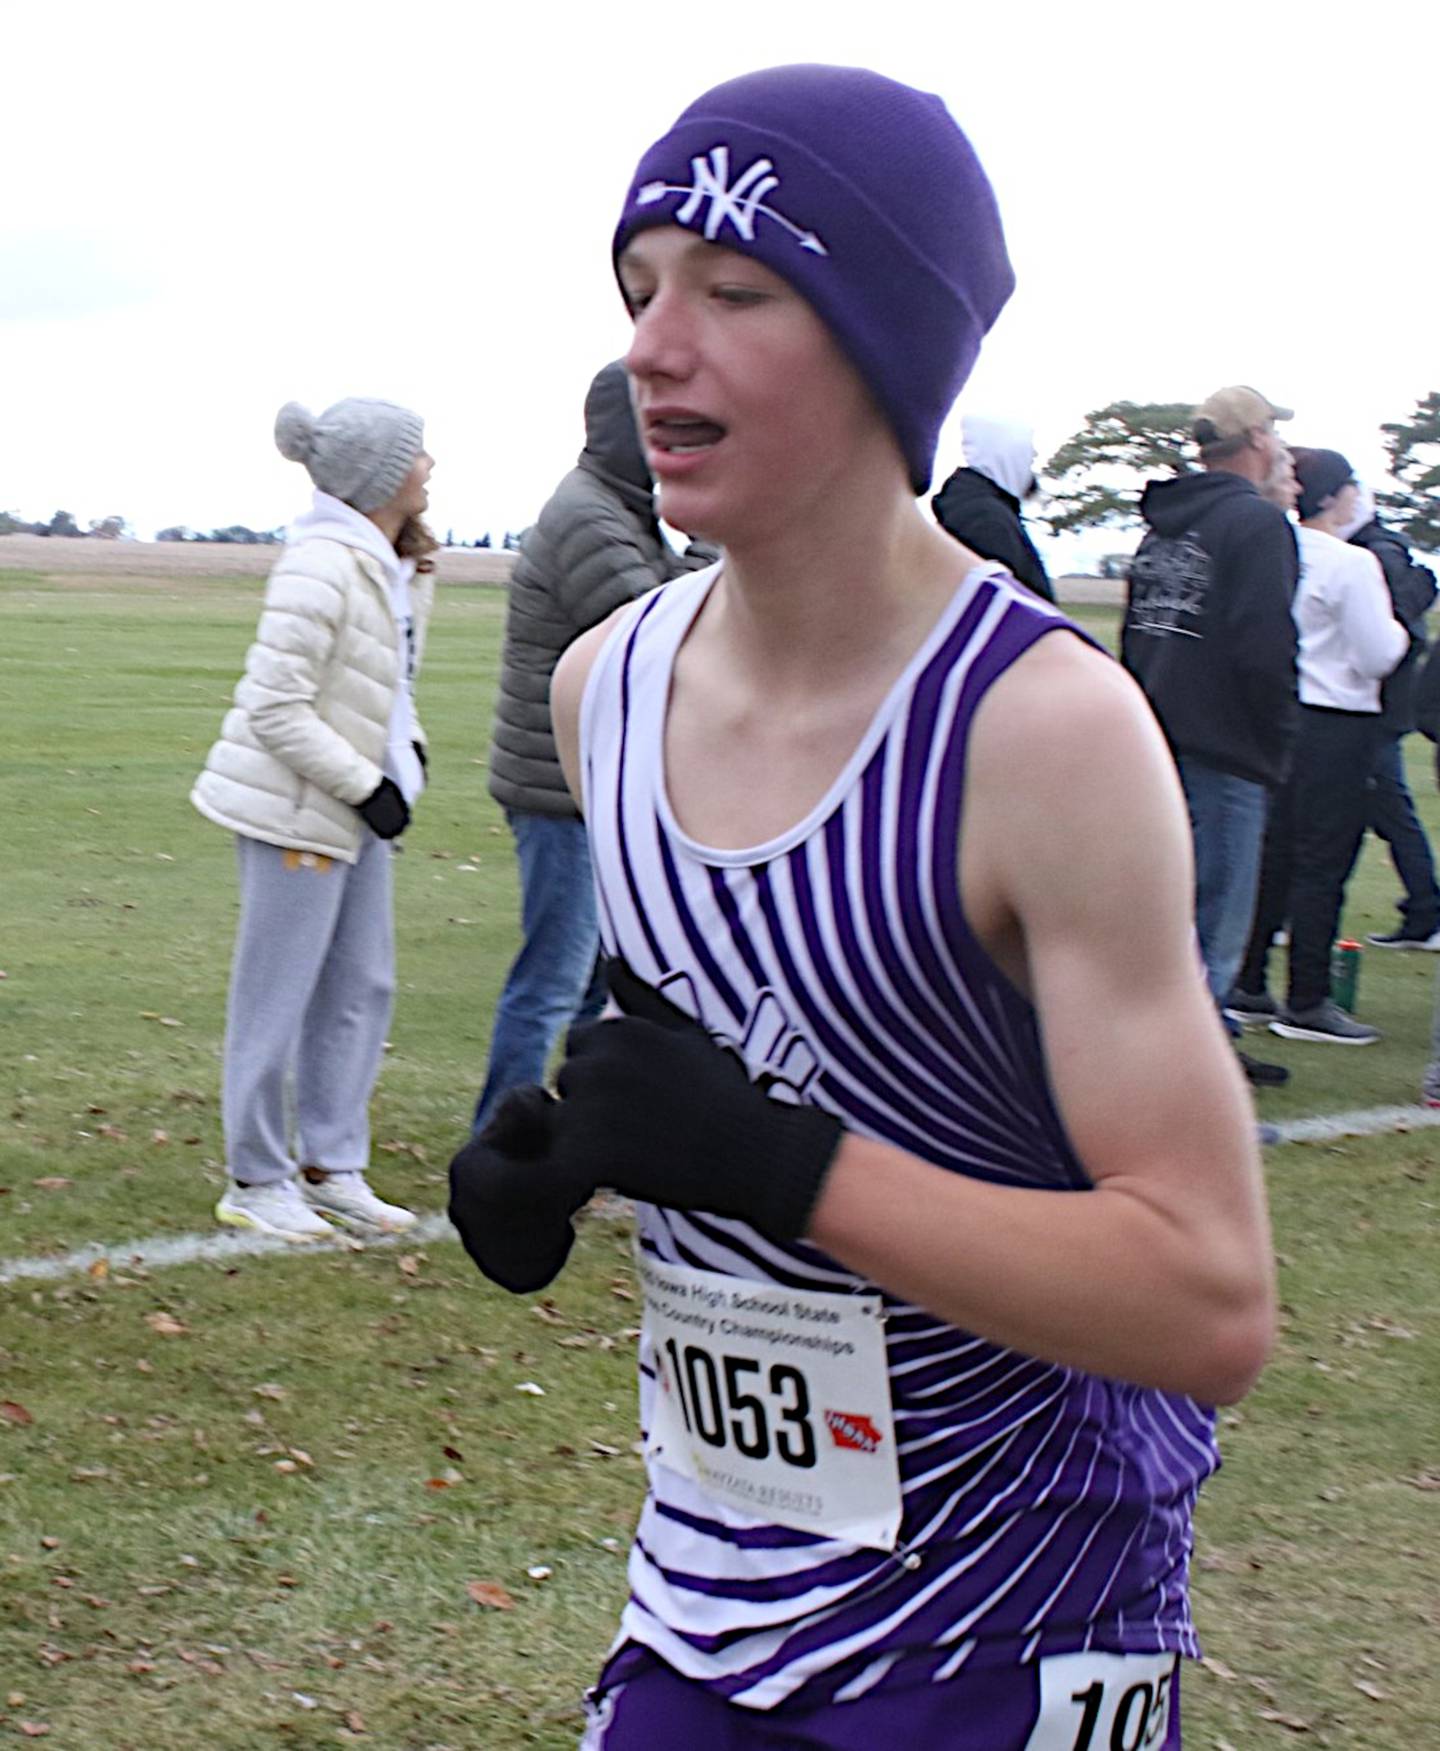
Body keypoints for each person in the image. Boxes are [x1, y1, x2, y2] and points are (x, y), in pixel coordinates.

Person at [448, 65, 1274, 1749]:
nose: (652, 347)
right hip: (707, 1592)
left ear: (886, 341)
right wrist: (561, 1159)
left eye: (734, 292)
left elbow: (1206, 1299)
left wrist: (788, 1167)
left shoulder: (1040, 731)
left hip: (1012, 1603)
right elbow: (756, 1048)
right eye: (640, 290)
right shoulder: (606, 690)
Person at [192, 398, 434, 1239]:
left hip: (355, 811)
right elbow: (274, 707)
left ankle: (332, 1166)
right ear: (379, 474)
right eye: (416, 454)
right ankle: (257, 1179)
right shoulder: (321, 564)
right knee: (278, 995)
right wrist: (367, 785)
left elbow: (386, 688)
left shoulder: (390, 563)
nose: (429, 466)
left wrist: (406, 760)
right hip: (296, 809)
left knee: (362, 985)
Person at [474, 361, 708, 1133]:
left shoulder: (622, 511)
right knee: (551, 981)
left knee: (592, 985)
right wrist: (715, 541)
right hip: (558, 791)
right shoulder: (588, 517)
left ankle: (580, 1135)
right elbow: (655, 631)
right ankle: (498, 1137)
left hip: (590, 787)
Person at [1122, 386, 1300, 1088]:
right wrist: (1278, 738)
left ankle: (1197, 1053)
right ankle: (1186, 1083)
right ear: (1256, 438)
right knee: (1215, 928)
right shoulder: (1256, 524)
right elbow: (1266, 646)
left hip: (1158, 741)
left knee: (1171, 920)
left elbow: (1139, 635)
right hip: (1226, 748)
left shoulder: (1165, 526)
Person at [1229, 450, 1407, 1045]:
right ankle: (1307, 998)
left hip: (1279, 713)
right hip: (1337, 719)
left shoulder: (1274, 547)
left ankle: (1249, 979)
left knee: (1273, 853)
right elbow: (1378, 653)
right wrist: (1401, 628)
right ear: (1332, 495)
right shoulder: (1350, 562)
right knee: (1322, 862)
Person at [1347, 489, 1440, 950]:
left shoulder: (1376, 554)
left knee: (1390, 812)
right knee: (1370, 812)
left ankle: (1426, 912)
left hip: (1373, 709)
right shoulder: (1379, 549)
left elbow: (1398, 631)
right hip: (1374, 706)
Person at [930, 415, 1053, 599]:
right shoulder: (985, 520)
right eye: (1028, 448)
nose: (1034, 454)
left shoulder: (982, 508)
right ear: (1007, 453)